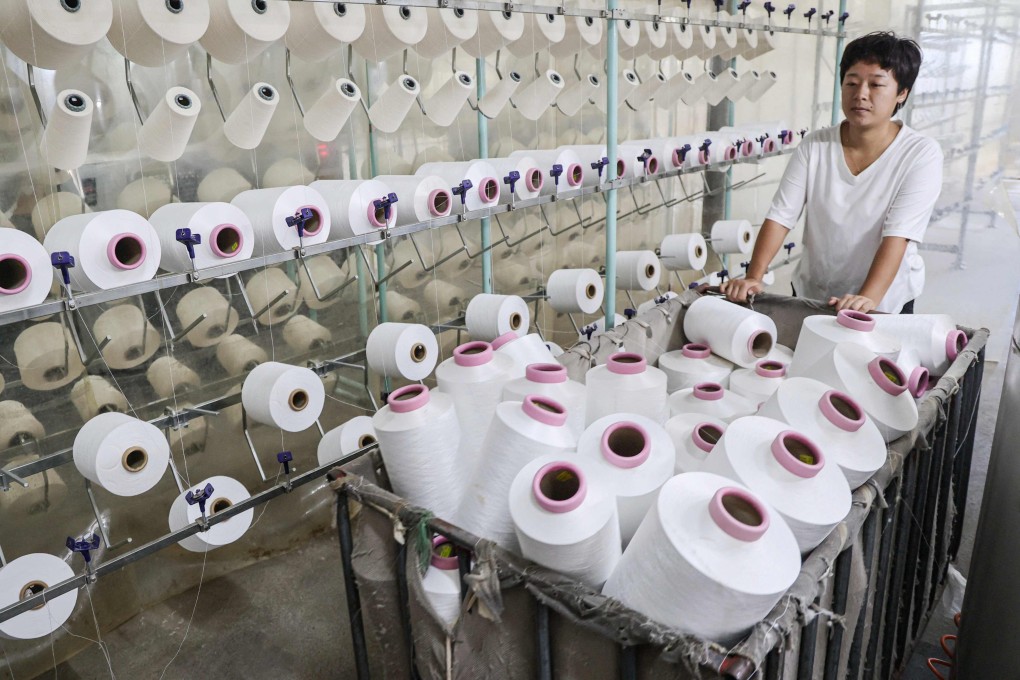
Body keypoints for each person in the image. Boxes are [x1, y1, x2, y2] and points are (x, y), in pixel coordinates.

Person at [721, 32, 943, 314]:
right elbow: (781, 216)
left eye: (876, 84)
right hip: (814, 290)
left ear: (902, 93)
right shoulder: (815, 145)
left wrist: (867, 298)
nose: (860, 94)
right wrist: (755, 276)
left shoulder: (920, 154)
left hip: (883, 300)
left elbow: (897, 236)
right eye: (851, 82)